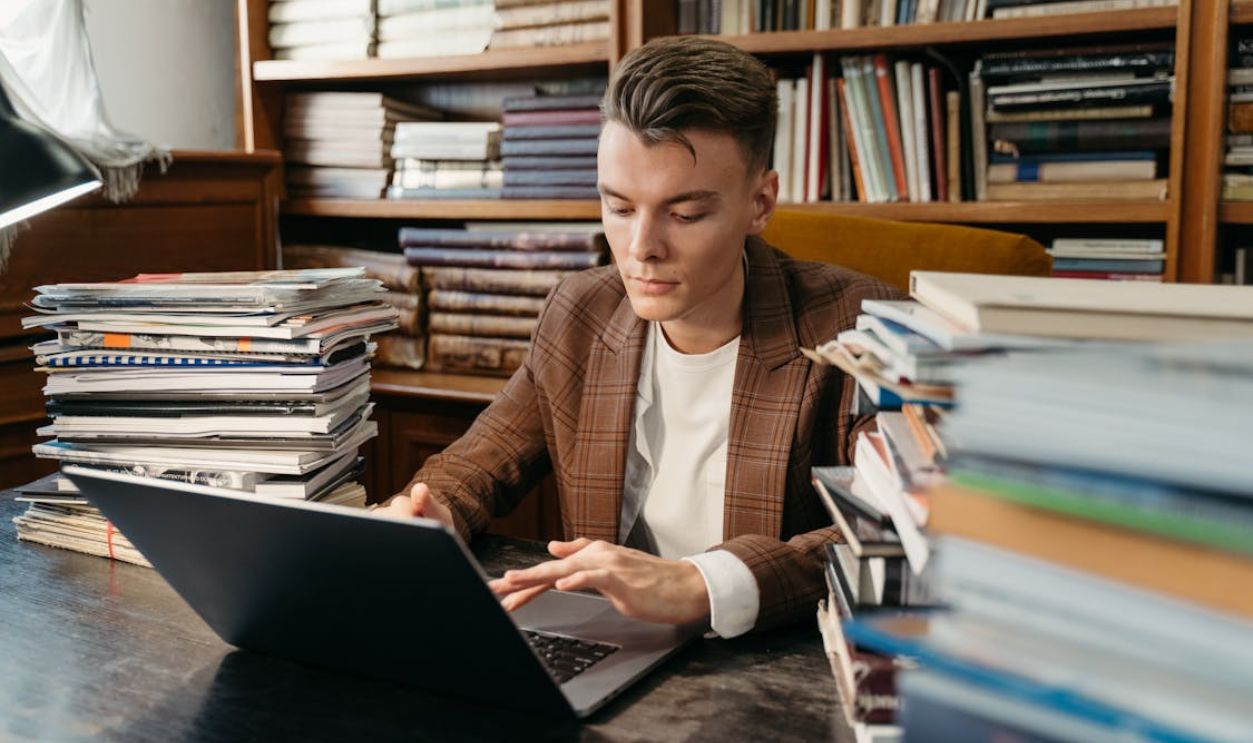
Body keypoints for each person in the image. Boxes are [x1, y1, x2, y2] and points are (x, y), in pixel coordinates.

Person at [375, 35, 900, 637]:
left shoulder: (865, 326)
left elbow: (899, 529)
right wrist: (430, 511)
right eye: (619, 208)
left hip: (783, 678)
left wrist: (704, 583)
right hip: (618, 652)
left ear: (760, 202)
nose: (641, 248)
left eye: (685, 214)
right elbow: (478, 463)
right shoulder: (581, 311)